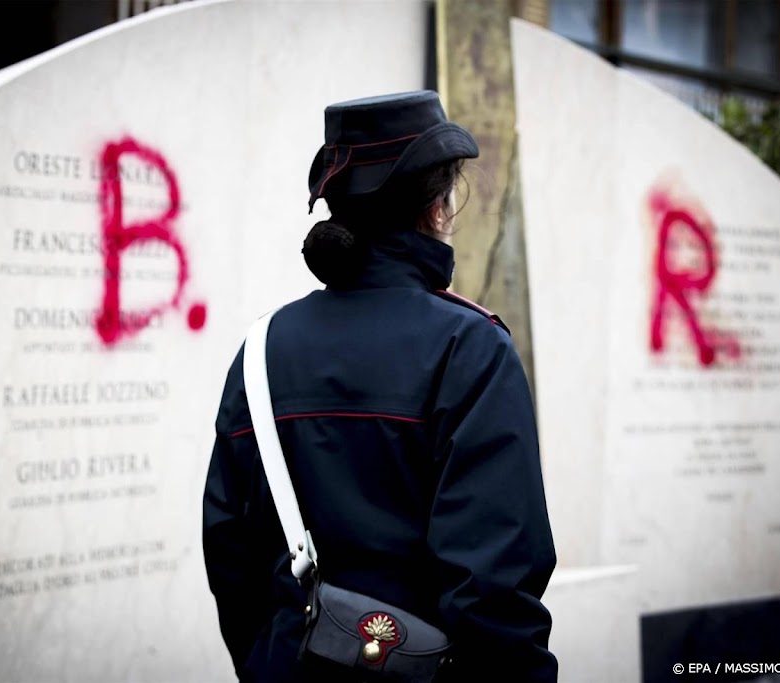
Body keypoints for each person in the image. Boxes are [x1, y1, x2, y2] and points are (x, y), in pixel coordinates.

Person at [203, 90, 557, 682]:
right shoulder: (469, 349)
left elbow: (230, 556)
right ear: (437, 208)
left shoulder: (260, 349)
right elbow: (494, 592)